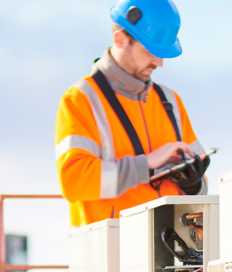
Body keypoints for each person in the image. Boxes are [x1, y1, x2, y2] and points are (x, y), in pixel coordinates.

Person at [55, 0, 210, 227]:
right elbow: (74, 182)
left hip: (171, 251)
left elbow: (203, 184)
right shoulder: (80, 99)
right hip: (111, 252)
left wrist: (194, 184)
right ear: (120, 39)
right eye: (150, 50)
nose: (159, 62)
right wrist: (146, 164)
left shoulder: (171, 101)